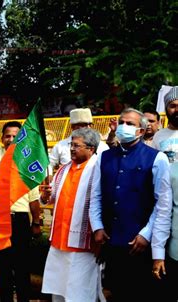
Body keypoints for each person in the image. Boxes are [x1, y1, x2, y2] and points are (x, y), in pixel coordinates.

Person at [89, 108, 172, 301]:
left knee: (139, 293)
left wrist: (147, 234)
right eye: (121, 122)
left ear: (141, 131)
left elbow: (163, 204)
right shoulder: (105, 157)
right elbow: (96, 195)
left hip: (140, 244)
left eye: (130, 124)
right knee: (116, 292)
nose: (123, 127)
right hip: (111, 241)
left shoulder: (157, 158)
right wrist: (97, 227)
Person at [0, 78, 41, 302]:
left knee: (22, 269)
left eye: (16, 136)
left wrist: (36, 223)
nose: (11, 139)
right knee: (4, 268)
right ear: (2, 139)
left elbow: (34, 199)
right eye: (7, 136)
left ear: (22, 139)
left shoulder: (28, 164)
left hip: (21, 220)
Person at [40, 128, 106, 302]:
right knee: (59, 290)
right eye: (71, 145)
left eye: (77, 145)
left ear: (91, 148)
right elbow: (50, 197)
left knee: (79, 292)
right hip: (59, 242)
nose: (72, 149)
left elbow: (103, 204)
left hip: (83, 245)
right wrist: (45, 196)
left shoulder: (98, 168)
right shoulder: (63, 169)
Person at [151, 86, 178, 301]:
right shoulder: (159, 138)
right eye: (173, 105)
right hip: (167, 209)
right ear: (166, 109)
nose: (177, 109)